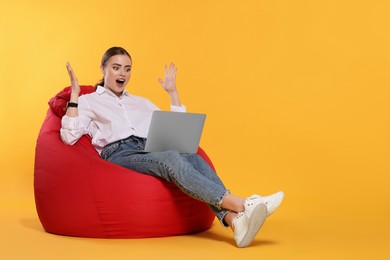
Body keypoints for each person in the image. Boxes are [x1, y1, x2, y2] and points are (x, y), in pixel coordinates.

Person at [60, 46, 284, 248]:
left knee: (192, 155)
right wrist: (75, 95)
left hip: (149, 148)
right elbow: (69, 136)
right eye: (116, 67)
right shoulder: (89, 101)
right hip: (119, 153)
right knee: (170, 158)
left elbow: (177, 133)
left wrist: (173, 93)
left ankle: (235, 222)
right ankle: (245, 204)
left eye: (127, 69)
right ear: (103, 68)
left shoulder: (141, 102)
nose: (122, 74)